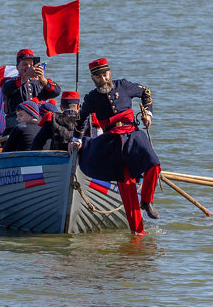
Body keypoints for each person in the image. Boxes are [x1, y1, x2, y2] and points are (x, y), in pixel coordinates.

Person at [69, 58, 161, 234]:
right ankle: (138, 232)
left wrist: (148, 114)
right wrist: (77, 139)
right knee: (126, 186)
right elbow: (81, 119)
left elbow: (146, 92)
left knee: (154, 165)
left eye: (105, 74)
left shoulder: (124, 85)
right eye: (99, 77)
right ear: (93, 78)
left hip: (133, 135)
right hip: (111, 142)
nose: (103, 79)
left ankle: (147, 201)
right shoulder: (91, 98)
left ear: (110, 73)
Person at [0, 50, 61, 130]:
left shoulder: (40, 82)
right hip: (17, 125)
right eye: (25, 64)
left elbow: (56, 91)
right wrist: (25, 77)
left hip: (38, 124)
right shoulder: (11, 82)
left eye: (31, 64)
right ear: (17, 67)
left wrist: (43, 80)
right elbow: (6, 89)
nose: (29, 67)